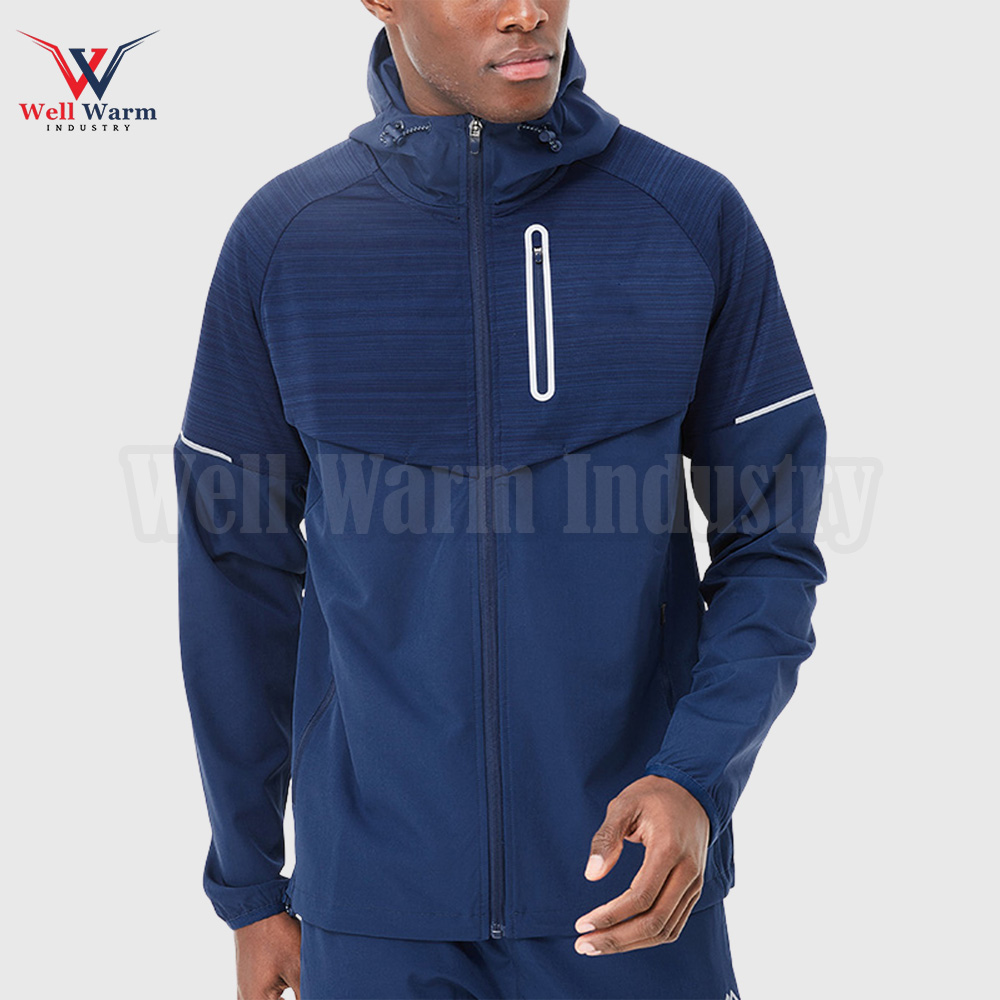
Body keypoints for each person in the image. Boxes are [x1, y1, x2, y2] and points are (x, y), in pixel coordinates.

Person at [173, 1, 826, 997]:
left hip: (632, 894)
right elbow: (234, 576)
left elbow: (771, 540)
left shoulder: (686, 217)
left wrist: (695, 776)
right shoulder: (288, 241)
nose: (528, 11)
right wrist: (253, 888)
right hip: (377, 917)